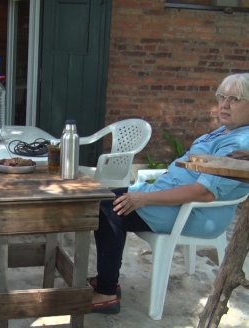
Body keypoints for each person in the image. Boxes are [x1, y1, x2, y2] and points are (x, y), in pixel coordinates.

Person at [90, 73, 249, 314]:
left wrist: (143, 198)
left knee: (109, 211)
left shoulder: (241, 144)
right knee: (101, 198)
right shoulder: (223, 132)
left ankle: (107, 293)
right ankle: (107, 278)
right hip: (169, 198)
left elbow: (204, 192)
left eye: (234, 99)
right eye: (222, 97)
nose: (224, 105)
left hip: (195, 213)